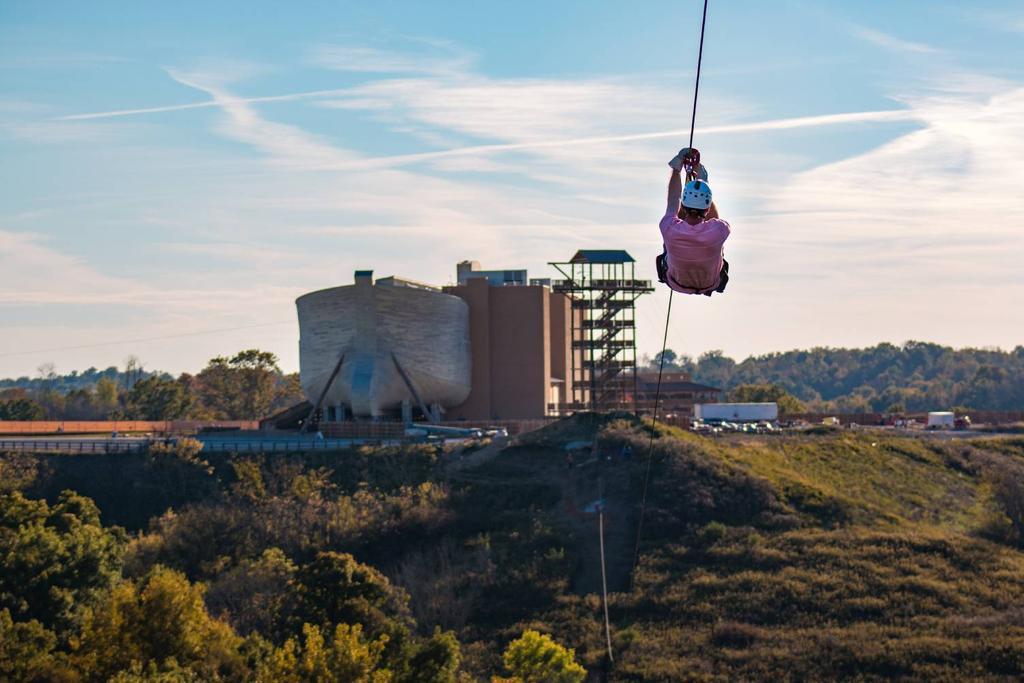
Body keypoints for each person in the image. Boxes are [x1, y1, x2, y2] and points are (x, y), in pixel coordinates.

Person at [657, 147, 731, 296]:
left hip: (676, 283)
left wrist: (677, 169)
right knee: (718, 246)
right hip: (711, 283)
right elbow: (714, 220)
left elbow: (673, 199)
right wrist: (703, 182)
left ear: (683, 205)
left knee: (666, 246)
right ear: (707, 207)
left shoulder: (669, 228)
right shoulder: (719, 230)